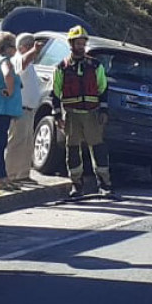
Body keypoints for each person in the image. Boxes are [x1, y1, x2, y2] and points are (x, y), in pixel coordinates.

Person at [51, 25, 112, 197]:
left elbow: (103, 89)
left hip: (92, 113)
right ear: (71, 44)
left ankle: (105, 184)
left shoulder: (95, 65)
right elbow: (55, 92)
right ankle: (76, 185)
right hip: (71, 114)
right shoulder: (62, 67)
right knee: (72, 149)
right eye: (77, 43)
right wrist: (57, 115)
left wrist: (104, 111)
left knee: (98, 148)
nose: (80, 46)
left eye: (82, 43)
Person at [0, 31, 23, 191]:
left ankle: (1, 176)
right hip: (4, 107)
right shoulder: (5, 62)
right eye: (13, 46)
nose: (15, 49)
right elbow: (8, 75)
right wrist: (9, 89)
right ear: (6, 48)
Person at [6, 33, 43, 184]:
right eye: (29, 46)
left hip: (29, 110)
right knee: (16, 142)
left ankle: (22, 174)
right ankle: (10, 174)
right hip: (19, 109)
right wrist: (34, 50)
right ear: (22, 47)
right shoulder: (17, 60)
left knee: (27, 144)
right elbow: (24, 61)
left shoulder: (30, 64)